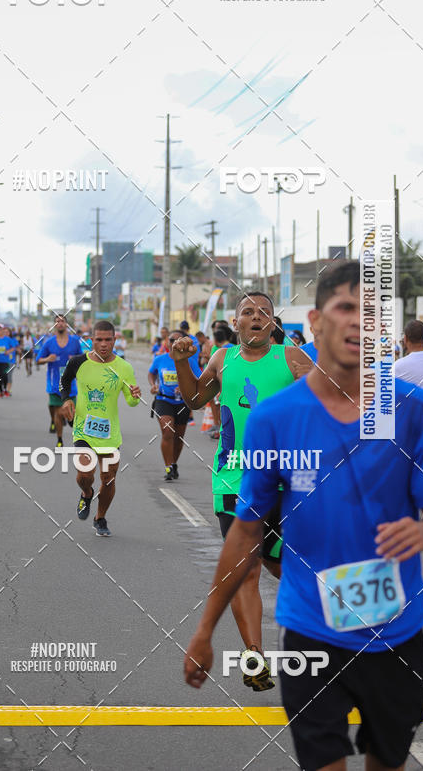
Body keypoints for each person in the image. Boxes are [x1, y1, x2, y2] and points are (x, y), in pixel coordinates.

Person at [184, 261, 423, 771]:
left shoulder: (411, 409)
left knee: (387, 762)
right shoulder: (275, 417)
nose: (358, 323)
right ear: (317, 320)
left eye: (370, 314)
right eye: (345, 309)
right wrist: (203, 631)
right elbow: (245, 533)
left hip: (395, 632)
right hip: (309, 633)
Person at [173, 291, 312, 691]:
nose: (255, 317)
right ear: (235, 323)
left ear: (273, 323)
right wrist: (183, 362)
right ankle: (255, 657)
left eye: (263, 313)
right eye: (247, 312)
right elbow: (196, 400)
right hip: (233, 479)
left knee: (284, 567)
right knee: (244, 570)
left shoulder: (292, 359)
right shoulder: (221, 359)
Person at [59, 321, 141, 537]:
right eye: (99, 340)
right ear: (91, 340)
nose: (103, 344)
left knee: (109, 478)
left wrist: (135, 396)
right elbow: (64, 381)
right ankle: (86, 493)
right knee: (85, 475)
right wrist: (66, 400)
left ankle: (100, 517)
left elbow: (131, 402)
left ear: (115, 340)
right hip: (83, 429)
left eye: (108, 340)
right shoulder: (78, 362)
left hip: (110, 434)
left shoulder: (124, 367)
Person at [149, 330, 201, 481]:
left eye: (179, 340)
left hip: (183, 402)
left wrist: (187, 387)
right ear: (167, 342)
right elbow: (151, 373)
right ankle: (168, 467)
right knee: (167, 432)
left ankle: (174, 463)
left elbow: (199, 378)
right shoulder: (160, 359)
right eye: (172, 340)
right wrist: (153, 385)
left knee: (179, 437)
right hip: (163, 400)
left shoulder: (189, 360)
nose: (175, 344)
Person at [37, 315, 82, 448]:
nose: (60, 323)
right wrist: (47, 359)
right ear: (54, 325)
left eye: (62, 321)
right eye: (57, 321)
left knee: (72, 414)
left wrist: (75, 358)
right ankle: (60, 439)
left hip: (71, 385)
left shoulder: (74, 341)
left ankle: (68, 419)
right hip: (54, 384)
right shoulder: (49, 343)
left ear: (67, 325)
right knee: (57, 412)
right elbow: (38, 360)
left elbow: (83, 358)